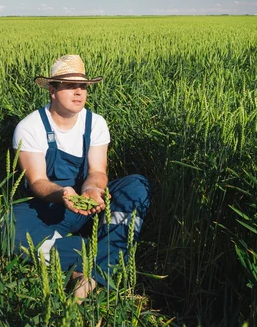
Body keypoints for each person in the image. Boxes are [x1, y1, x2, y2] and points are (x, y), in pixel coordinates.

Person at [10, 54, 151, 299]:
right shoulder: (30, 127)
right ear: (52, 90)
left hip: (86, 206)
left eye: (83, 87)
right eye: (70, 86)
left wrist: (92, 191)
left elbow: (97, 171)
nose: (79, 92)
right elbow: (37, 182)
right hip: (47, 207)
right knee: (7, 232)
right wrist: (63, 194)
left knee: (137, 186)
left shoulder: (95, 123)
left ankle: (84, 267)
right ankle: (104, 255)